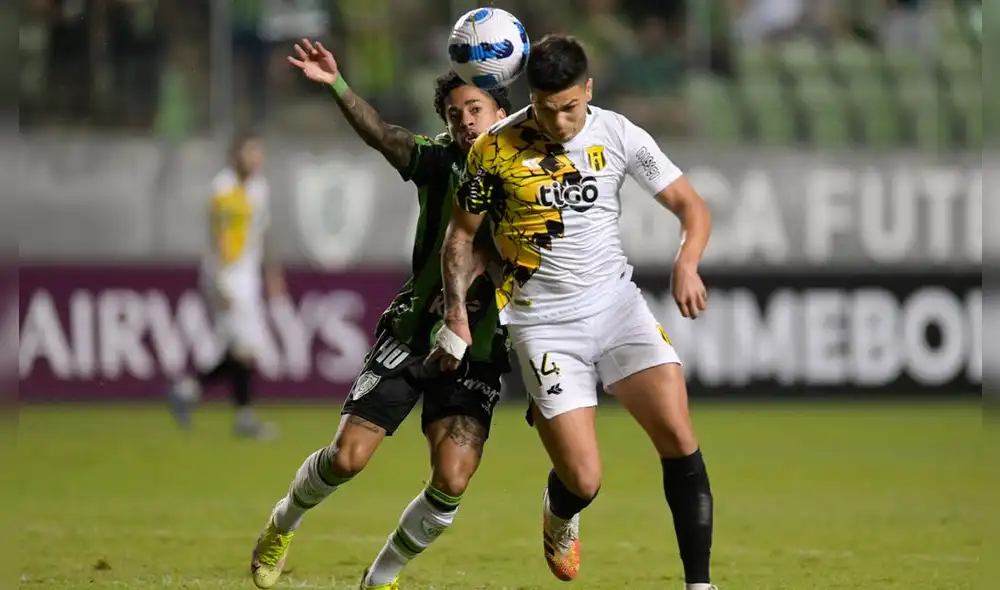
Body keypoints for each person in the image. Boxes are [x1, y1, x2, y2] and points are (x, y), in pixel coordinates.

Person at [431, 34, 718, 590]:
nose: (560, 122)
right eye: (544, 108)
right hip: (542, 325)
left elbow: (691, 205)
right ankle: (561, 510)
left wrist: (687, 262)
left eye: (570, 108)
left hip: (617, 307)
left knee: (679, 437)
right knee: (584, 479)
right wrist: (458, 316)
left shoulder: (617, 134)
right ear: (528, 97)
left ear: (588, 90)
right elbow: (460, 239)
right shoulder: (494, 147)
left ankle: (699, 585)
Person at [248, 38, 513, 590]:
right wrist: (338, 85)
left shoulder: (533, 174)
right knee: (347, 459)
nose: (464, 122)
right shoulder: (441, 160)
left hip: (480, 347)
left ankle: (381, 577)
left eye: (475, 110)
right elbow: (385, 136)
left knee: (453, 478)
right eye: (454, 113)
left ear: (503, 113)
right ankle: (283, 522)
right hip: (416, 331)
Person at [167, 132, 283, 440]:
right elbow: (219, 239)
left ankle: (188, 390)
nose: (256, 158)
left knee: (245, 351)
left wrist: (272, 274)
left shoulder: (260, 188)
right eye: (250, 152)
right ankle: (243, 418)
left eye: (259, 152)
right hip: (227, 277)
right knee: (246, 349)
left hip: (248, 278)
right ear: (236, 156)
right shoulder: (223, 189)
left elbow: (262, 234)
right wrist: (219, 282)